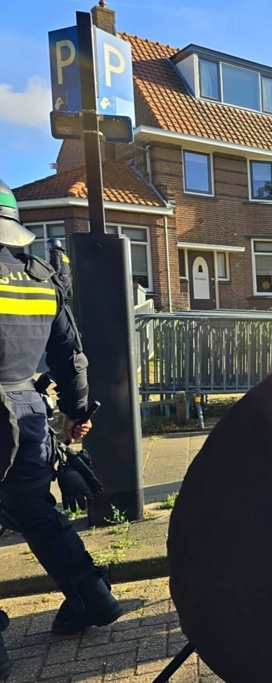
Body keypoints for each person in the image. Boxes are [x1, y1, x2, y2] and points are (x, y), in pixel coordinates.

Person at [0, 181, 123, 678]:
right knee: (38, 514)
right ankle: (92, 599)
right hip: (27, 415)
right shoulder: (37, 276)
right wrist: (76, 413)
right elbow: (70, 355)